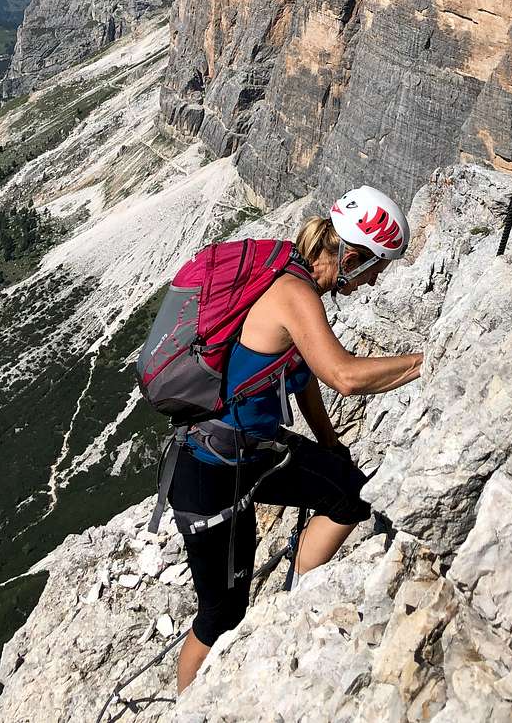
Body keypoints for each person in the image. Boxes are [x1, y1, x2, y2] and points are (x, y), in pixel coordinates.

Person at [169, 186, 423, 693]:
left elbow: (302, 378)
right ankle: (186, 704)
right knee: (221, 612)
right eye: (375, 267)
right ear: (351, 256)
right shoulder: (294, 292)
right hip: (213, 468)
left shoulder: (287, 272)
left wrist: (329, 447)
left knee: (346, 488)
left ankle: (301, 602)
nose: (373, 281)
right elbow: (343, 375)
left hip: (232, 455)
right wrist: (429, 360)